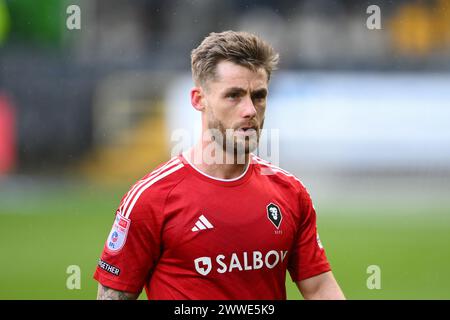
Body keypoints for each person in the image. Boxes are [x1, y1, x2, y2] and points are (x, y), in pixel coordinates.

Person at [94, 30, 345, 300]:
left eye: (258, 96)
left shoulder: (290, 193)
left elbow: (319, 289)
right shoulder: (151, 199)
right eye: (234, 95)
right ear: (199, 99)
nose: (250, 110)